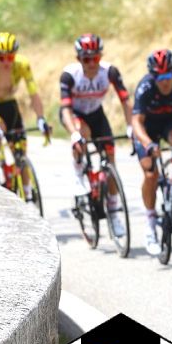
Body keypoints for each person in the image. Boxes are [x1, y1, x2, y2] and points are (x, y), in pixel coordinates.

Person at [59, 34, 131, 235]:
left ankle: (114, 212)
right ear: (78, 59)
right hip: (74, 114)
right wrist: (73, 134)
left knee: (110, 159)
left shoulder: (110, 72)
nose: (91, 63)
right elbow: (65, 109)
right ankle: (78, 171)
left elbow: (126, 101)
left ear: (101, 57)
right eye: (86, 59)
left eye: (95, 58)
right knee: (82, 135)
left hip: (97, 115)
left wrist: (130, 127)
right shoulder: (69, 75)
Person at [131, 49, 172, 256]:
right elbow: (136, 122)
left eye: (168, 76)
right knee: (151, 173)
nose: (164, 82)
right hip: (146, 128)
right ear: (153, 76)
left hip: (168, 121)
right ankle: (149, 222)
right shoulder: (145, 87)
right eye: (159, 77)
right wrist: (147, 144)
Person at [0, 32, 51, 184]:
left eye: (10, 57)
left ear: (15, 55)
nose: (6, 62)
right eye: (1, 58)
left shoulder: (22, 65)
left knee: (20, 150)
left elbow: (34, 94)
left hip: (8, 104)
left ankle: (27, 191)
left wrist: (40, 118)